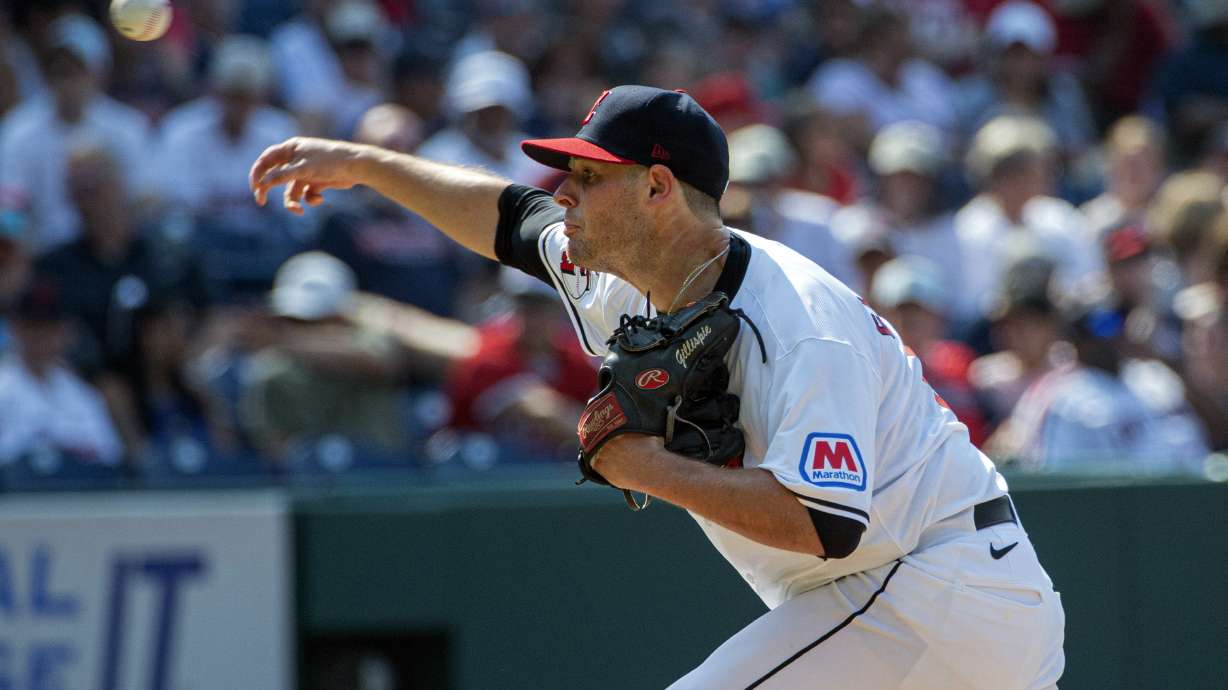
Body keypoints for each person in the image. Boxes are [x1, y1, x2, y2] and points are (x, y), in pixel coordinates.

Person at [249, 85, 1065, 688]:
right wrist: (366, 164)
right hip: (895, 598)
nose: (566, 192)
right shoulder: (620, 265)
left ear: (657, 189)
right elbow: (510, 221)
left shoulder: (798, 319)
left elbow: (827, 521)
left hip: (938, 590)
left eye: (590, 176)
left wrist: (642, 467)